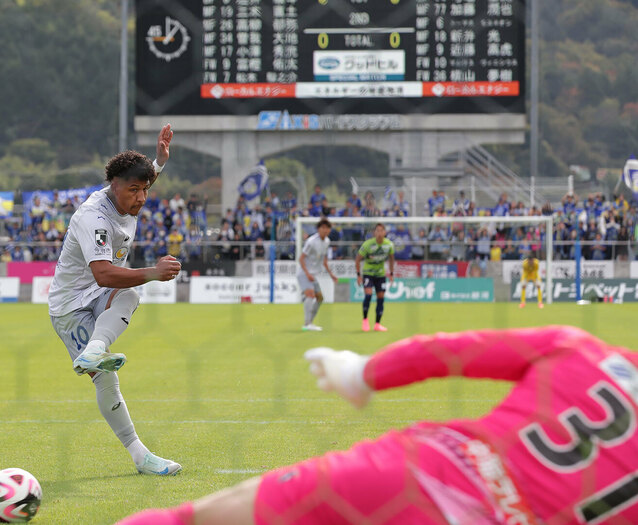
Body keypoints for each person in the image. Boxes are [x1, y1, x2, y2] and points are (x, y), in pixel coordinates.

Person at [117, 325, 638, 525]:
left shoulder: (585, 350)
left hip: (414, 473)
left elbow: (446, 353)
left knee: (193, 520)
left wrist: (360, 372)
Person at [48, 124, 182, 476]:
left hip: (100, 295)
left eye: (146, 190)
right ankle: (141, 456)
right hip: (71, 307)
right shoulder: (94, 217)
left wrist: (160, 162)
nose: (140, 198)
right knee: (106, 382)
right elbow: (104, 275)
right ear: (114, 187)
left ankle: (94, 349)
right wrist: (153, 272)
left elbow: (144, 179)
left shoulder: (130, 193)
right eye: (133, 190)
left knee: (130, 295)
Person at [296, 218, 338, 332]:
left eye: (327, 228)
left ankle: (310, 322)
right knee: (310, 295)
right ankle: (307, 323)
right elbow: (301, 259)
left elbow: (324, 261)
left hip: (313, 275)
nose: (324, 230)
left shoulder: (327, 241)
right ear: (318, 229)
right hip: (304, 274)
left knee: (320, 298)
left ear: (329, 230)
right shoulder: (311, 241)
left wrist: (331, 275)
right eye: (322, 228)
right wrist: (307, 273)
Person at [355, 223, 395, 332]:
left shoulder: (389, 245)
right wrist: (358, 275)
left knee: (380, 298)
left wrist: (391, 273)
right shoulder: (368, 245)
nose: (379, 233)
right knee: (368, 295)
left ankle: (377, 324)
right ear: (374, 233)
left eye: (382, 231)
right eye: (377, 231)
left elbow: (391, 259)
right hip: (368, 273)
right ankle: (365, 320)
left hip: (381, 274)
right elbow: (358, 259)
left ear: (385, 232)